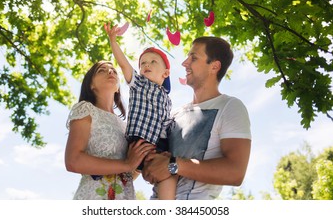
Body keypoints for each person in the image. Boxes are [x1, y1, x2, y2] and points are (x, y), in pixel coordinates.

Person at [142, 36, 252, 200]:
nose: (185, 63)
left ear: (214, 66)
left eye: (193, 58)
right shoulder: (173, 114)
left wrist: (173, 165)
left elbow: (236, 172)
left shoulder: (230, 107)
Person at [104, 23, 177, 200]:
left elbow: (165, 123)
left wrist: (165, 149)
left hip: (157, 144)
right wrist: (113, 40)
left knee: (165, 174)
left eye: (153, 62)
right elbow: (124, 64)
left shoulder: (167, 99)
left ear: (165, 73)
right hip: (139, 141)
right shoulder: (139, 84)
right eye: (143, 62)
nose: (146, 65)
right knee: (163, 175)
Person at [65, 61, 154, 200]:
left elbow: (127, 173)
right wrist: (126, 164)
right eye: (102, 70)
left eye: (114, 70)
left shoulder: (126, 126)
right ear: (91, 85)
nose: (110, 72)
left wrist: (138, 162)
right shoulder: (86, 110)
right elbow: (73, 161)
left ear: (118, 88)